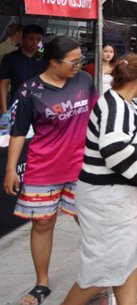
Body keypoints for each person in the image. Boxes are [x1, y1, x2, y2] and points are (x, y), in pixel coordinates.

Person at [59, 54, 137, 305]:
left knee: (129, 259)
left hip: (118, 198)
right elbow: (113, 150)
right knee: (102, 270)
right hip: (108, 200)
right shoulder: (116, 106)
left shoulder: (121, 101)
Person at [3, 37, 97, 305]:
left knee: (90, 222)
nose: (78, 65)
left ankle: (97, 275)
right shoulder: (29, 91)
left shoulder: (83, 81)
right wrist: (11, 169)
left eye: (81, 59)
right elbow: (18, 132)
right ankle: (41, 282)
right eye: (73, 61)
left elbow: (95, 117)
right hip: (43, 168)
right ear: (53, 61)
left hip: (83, 166)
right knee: (43, 224)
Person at [0, 24, 44, 117]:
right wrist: (4, 110)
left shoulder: (44, 60)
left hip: (41, 107)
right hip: (17, 106)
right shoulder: (10, 58)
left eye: (38, 40)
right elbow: (3, 83)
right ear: (22, 38)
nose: (35, 43)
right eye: (31, 39)